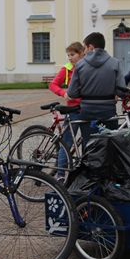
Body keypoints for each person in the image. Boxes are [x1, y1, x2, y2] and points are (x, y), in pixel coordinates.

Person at [66, 32, 126, 146]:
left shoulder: (80, 65)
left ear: (91, 47)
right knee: (109, 145)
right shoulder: (115, 63)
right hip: (108, 110)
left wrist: (84, 92)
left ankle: (88, 163)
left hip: (87, 110)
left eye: (84, 48)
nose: (83, 52)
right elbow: (121, 91)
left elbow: (72, 93)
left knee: (89, 145)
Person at [49, 42, 84, 173]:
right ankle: (60, 174)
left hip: (86, 109)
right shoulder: (67, 68)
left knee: (88, 142)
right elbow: (53, 85)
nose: (70, 57)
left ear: (82, 54)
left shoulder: (87, 67)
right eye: (68, 55)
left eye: (72, 54)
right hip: (73, 110)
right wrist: (63, 93)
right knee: (66, 143)